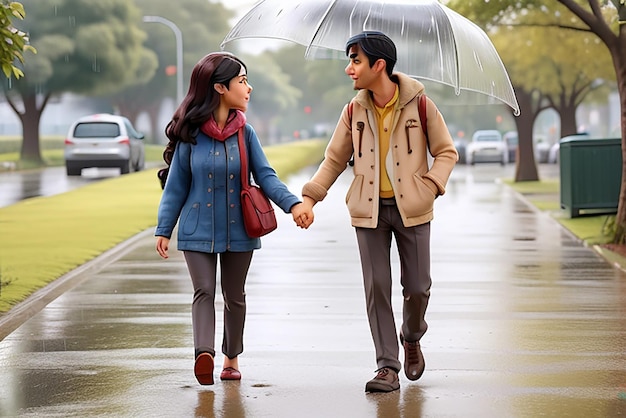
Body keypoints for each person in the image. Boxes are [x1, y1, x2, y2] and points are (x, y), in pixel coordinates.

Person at [299, 31, 458, 393]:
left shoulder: (421, 105)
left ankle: (412, 335)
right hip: (368, 213)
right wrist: (310, 199)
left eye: (355, 60)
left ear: (379, 65)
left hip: (412, 210)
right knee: (377, 287)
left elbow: (446, 152)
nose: (349, 69)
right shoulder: (353, 111)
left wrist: (430, 186)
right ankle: (387, 365)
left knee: (417, 288)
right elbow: (334, 160)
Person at [155, 52, 307, 385]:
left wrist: (293, 204)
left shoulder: (246, 133)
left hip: (241, 230)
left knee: (234, 296)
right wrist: (164, 229)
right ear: (220, 87)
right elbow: (176, 187)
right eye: (242, 81)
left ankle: (231, 358)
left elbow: (266, 177)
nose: (248, 88)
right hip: (197, 230)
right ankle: (203, 354)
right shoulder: (191, 135)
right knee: (204, 291)